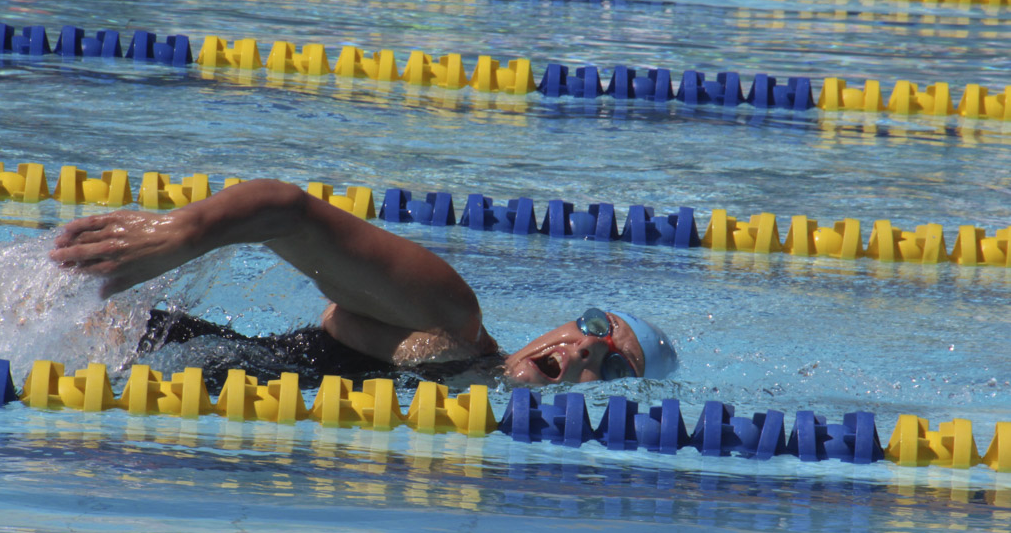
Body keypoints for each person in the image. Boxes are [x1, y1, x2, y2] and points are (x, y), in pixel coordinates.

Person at [51, 179, 677, 387]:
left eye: (613, 368)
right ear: (565, 326)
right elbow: (285, 210)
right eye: (597, 331)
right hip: (127, 348)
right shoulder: (450, 325)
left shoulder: (469, 400)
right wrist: (183, 232)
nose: (585, 350)